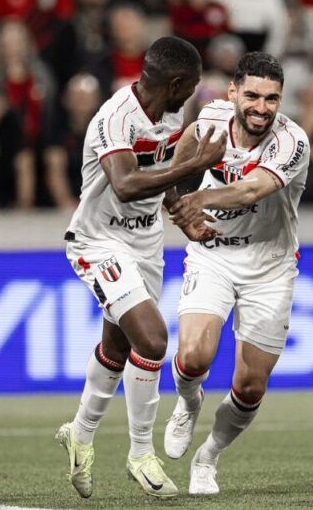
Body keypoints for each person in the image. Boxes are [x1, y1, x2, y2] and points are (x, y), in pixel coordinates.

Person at [54, 36, 227, 500]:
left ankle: (81, 434)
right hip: (99, 241)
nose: (193, 92)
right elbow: (128, 183)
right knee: (152, 338)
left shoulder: (170, 114)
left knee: (117, 345)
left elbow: (160, 170)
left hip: (146, 243)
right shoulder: (115, 118)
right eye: (189, 85)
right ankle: (140, 453)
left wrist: (181, 212)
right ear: (174, 83)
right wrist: (194, 164)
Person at [162, 51, 310, 495]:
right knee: (194, 358)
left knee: (249, 385)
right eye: (252, 96)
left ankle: (208, 457)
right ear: (232, 93)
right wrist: (177, 202)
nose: (261, 108)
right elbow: (181, 152)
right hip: (213, 254)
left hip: (270, 266)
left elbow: (251, 190)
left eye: (272, 98)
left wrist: (198, 201)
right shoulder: (210, 118)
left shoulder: (292, 142)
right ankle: (189, 403)